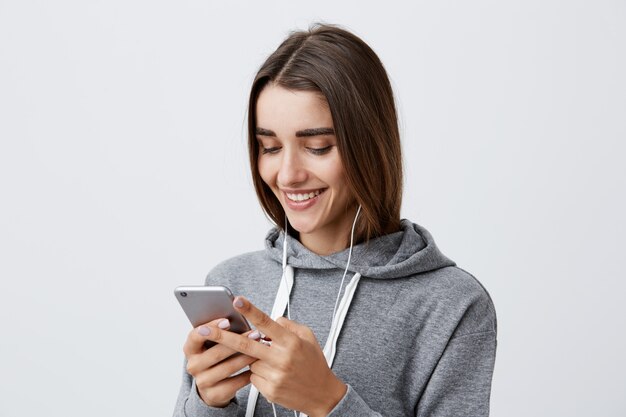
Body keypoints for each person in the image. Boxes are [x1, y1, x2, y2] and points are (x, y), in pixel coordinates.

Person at [173, 23, 497, 417]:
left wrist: (328, 401)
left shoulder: (451, 304)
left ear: (370, 145)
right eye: (270, 147)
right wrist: (207, 403)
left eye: (317, 147)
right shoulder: (234, 284)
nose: (288, 174)